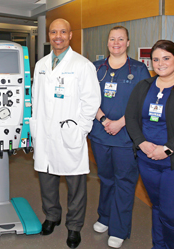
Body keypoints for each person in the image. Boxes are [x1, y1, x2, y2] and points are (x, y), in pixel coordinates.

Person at [125, 40, 174, 249]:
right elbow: (131, 117)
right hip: (147, 160)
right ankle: (159, 246)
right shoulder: (144, 87)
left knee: (173, 216)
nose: (161, 63)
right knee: (158, 208)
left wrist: (167, 149)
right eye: (156, 59)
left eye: (166, 58)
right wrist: (141, 143)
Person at [30, 18, 101, 249]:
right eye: (53, 32)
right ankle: (52, 216)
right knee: (46, 178)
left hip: (69, 132)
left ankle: (74, 226)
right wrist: (35, 126)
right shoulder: (40, 64)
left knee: (76, 184)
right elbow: (36, 98)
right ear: (48, 36)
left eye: (62, 32)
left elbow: (91, 101)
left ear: (70, 35)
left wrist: (80, 129)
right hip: (45, 132)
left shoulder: (82, 65)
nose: (57, 36)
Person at [89, 26, 150, 248]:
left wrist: (120, 123)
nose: (116, 42)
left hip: (126, 137)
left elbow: (142, 103)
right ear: (107, 43)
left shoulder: (139, 69)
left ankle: (119, 229)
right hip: (100, 134)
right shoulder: (95, 68)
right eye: (112, 39)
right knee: (105, 179)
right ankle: (104, 217)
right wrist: (105, 121)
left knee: (124, 182)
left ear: (128, 42)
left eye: (121, 39)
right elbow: (88, 98)